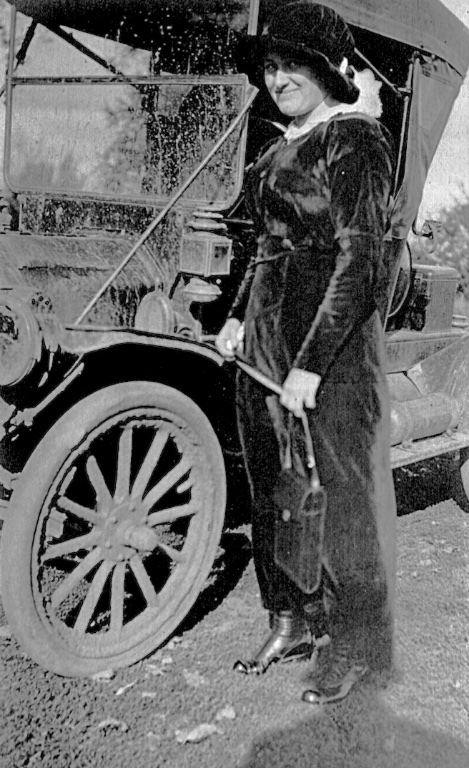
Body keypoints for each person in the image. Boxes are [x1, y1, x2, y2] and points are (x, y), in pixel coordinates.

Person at [215, 2, 397, 705]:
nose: (278, 77)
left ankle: (352, 644)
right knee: (272, 486)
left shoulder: (353, 140)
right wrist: (237, 318)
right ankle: (288, 619)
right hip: (265, 343)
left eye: (293, 64)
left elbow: (359, 260)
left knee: (342, 497)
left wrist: (312, 363)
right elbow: (264, 247)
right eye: (269, 66)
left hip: (331, 349)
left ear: (325, 71)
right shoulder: (272, 151)